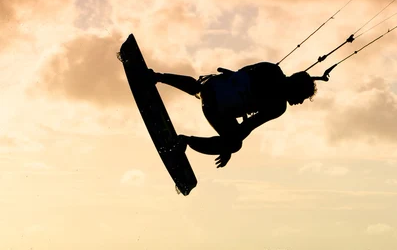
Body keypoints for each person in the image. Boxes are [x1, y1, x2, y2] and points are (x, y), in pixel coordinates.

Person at [119, 35, 317, 168]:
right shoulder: (278, 107)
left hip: (211, 87)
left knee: (199, 86)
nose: (300, 102)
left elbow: (241, 74)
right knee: (235, 143)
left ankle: (157, 76)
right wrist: (227, 146)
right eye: (302, 97)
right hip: (217, 109)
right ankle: (185, 141)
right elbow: (247, 127)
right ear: (296, 87)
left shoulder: (270, 68)